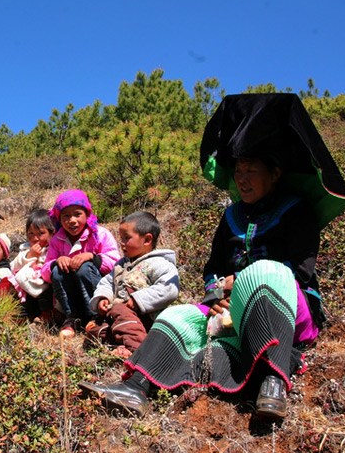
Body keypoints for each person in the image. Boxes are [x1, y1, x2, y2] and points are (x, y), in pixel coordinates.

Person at [79, 155, 324, 420]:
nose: (241, 178)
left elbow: (300, 269)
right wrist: (216, 294)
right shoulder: (232, 215)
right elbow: (213, 268)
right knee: (175, 315)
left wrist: (241, 280)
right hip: (232, 308)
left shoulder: (297, 209)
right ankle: (136, 387)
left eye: (251, 169)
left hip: (284, 305)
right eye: (238, 171)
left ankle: (272, 381)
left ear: (275, 173)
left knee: (266, 270)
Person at [86, 211, 180, 358]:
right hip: (121, 317)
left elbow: (169, 289)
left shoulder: (159, 264)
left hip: (146, 318)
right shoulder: (121, 264)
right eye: (121, 238)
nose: (121, 243)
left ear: (147, 240)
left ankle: (137, 349)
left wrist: (139, 299)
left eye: (126, 238)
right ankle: (123, 342)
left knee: (119, 310)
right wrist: (103, 297)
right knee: (94, 330)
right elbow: (107, 282)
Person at [41, 189, 120, 337]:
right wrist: (56, 262)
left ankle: (95, 316)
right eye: (66, 216)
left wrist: (92, 257)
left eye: (77, 214)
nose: (72, 220)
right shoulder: (57, 240)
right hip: (71, 295)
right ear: (59, 218)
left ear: (87, 214)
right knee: (57, 271)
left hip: (97, 291)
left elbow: (116, 262)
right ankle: (72, 318)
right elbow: (45, 272)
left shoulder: (99, 234)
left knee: (84, 268)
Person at [9, 209, 56, 322]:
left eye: (41, 233)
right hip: (27, 289)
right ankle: (25, 315)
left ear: (52, 233)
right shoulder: (25, 249)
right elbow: (13, 267)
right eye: (31, 233)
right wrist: (30, 255)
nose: (35, 238)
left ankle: (48, 313)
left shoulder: (53, 249)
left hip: (46, 288)